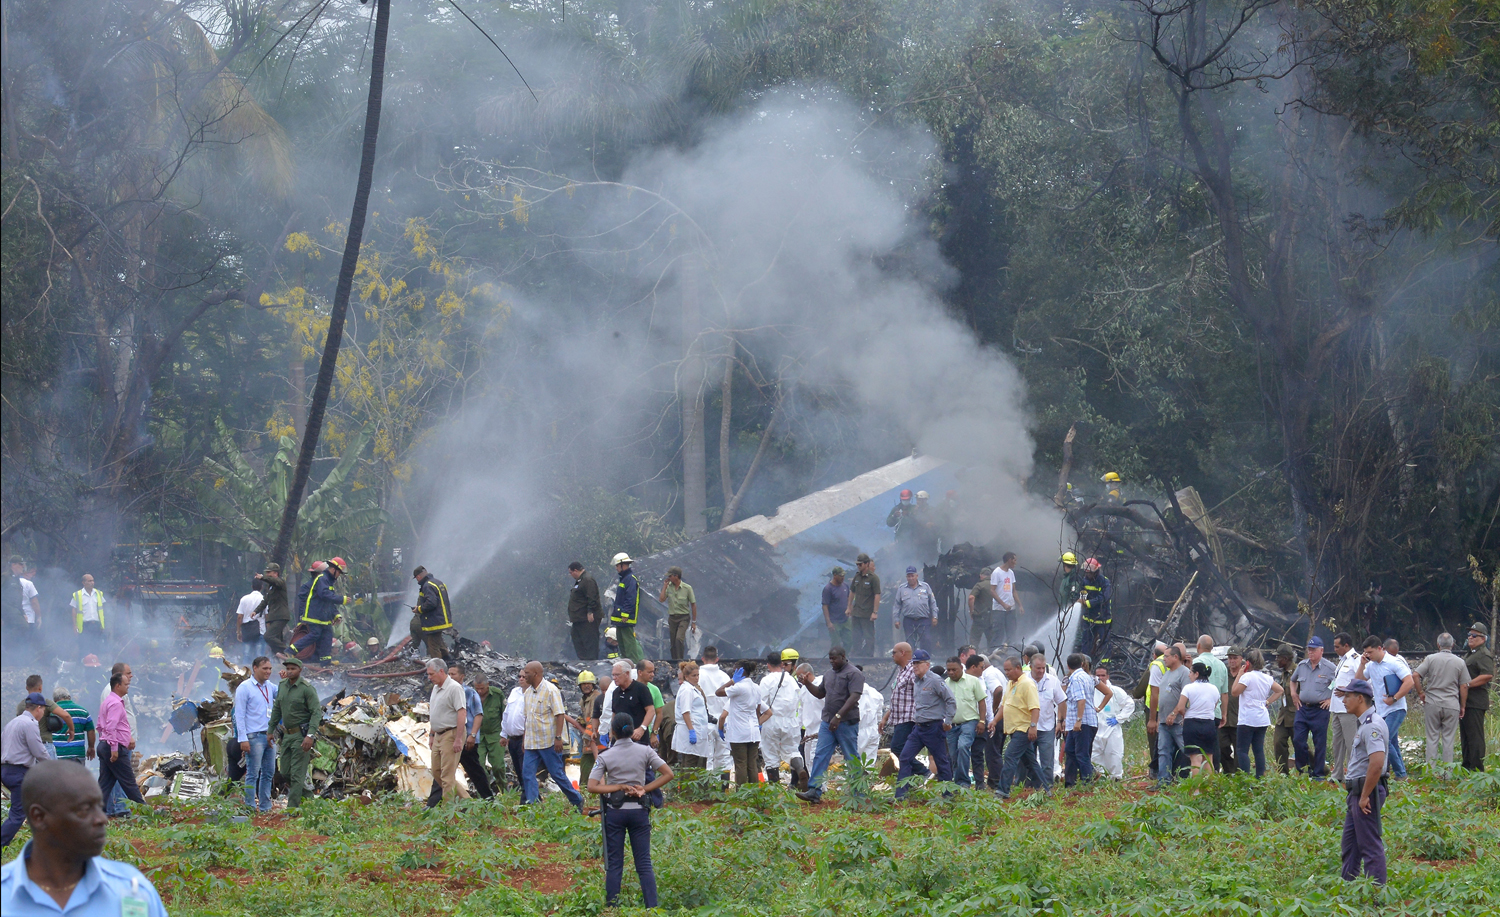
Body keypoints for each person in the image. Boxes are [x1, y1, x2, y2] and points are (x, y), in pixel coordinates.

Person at [0, 760, 169, 916]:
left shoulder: (132, 891)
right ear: (38, 817)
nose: (101, 819)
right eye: (84, 809)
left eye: (99, 806)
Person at [588, 712, 674, 909]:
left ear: (613, 732)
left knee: (615, 864)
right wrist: (645, 789)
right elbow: (668, 774)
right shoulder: (645, 751)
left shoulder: (605, 756)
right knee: (644, 863)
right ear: (632, 729)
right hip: (639, 811)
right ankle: (652, 908)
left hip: (615, 813)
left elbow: (592, 786)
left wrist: (617, 787)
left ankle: (612, 908)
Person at [795, 647, 864, 803]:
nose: (832, 662)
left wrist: (839, 716)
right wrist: (806, 684)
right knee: (820, 754)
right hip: (827, 722)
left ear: (843, 656)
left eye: (835, 659)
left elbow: (854, 697)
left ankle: (858, 793)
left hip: (846, 722)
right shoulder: (829, 674)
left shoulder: (854, 674)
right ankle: (814, 791)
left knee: (851, 756)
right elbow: (820, 693)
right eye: (830, 659)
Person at [1337, 678, 1388, 884]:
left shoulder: (1371, 726)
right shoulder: (1367, 724)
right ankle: (1348, 886)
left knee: (1369, 845)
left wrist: (1365, 795)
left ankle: (1376, 894)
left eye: (1348, 697)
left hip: (1366, 794)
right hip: (1358, 793)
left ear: (1360, 698)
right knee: (1350, 844)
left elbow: (1377, 763)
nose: (1344, 701)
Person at [519, 662, 585, 809]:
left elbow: (560, 715)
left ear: (536, 674)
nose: (524, 676)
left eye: (527, 673)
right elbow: (527, 718)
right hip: (531, 742)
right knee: (527, 774)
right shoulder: (528, 692)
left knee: (556, 774)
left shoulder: (551, 690)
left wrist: (558, 738)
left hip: (548, 742)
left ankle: (576, 800)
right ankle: (533, 806)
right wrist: (524, 739)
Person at [894, 650, 955, 799]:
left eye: (918, 663)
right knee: (905, 757)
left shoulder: (935, 680)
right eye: (913, 663)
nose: (914, 666)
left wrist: (947, 721)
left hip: (934, 727)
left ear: (927, 664)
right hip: (918, 727)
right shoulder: (916, 681)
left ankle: (948, 794)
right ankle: (901, 795)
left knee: (941, 761)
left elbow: (950, 700)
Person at [1354, 636, 1413, 779]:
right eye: (1366, 653)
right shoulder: (1371, 665)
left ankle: (1399, 774)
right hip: (1381, 710)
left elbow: (1409, 681)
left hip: (1396, 708)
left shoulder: (1394, 662)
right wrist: (1362, 664)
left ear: (1380, 649)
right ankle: (1398, 772)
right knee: (1392, 741)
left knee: (1383, 739)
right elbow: (1358, 681)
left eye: (1370, 652)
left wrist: (1394, 698)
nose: (1368, 655)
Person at [269, 656, 320, 807]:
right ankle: (308, 797)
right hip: (287, 735)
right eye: (288, 669)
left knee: (297, 773)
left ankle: (292, 809)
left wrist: (310, 735)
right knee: (285, 771)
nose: (290, 671)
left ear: (300, 670)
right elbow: (277, 709)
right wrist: (270, 730)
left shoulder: (306, 688)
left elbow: (316, 713)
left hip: (301, 735)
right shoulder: (282, 686)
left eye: (293, 669)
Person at [1409, 633, 1465, 768]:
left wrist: (1421, 692)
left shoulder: (1430, 659)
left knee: (1432, 738)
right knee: (1448, 739)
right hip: (1452, 704)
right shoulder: (1460, 662)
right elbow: (1464, 685)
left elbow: (1416, 675)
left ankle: (1430, 772)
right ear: (1452, 644)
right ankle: (1447, 772)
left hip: (1432, 702)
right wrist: (1462, 705)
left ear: (1438, 644)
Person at [3, 695, 52, 847]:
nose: (43, 714)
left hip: (6, 770)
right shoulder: (30, 724)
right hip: (18, 772)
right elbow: (39, 751)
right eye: (43, 710)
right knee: (18, 814)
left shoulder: (13, 722)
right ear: (38, 708)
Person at [992, 657, 1044, 798]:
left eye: (1009, 670)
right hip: (1013, 729)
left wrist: (1033, 727)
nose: (1006, 673)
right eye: (1005, 670)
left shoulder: (1028, 684)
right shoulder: (1010, 683)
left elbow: (1035, 708)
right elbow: (1004, 705)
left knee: (1009, 756)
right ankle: (1045, 788)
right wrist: (995, 721)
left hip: (1023, 728)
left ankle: (1003, 791)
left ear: (1018, 668)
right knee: (1030, 761)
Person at [288, 557, 356, 665]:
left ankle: (325, 662)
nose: (339, 576)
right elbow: (325, 595)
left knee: (327, 637)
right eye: (339, 572)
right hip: (315, 616)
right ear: (334, 569)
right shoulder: (322, 579)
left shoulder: (327, 581)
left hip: (323, 618)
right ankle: (290, 651)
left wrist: (335, 615)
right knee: (315, 634)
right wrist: (341, 599)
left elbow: (329, 602)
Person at [233, 656, 277, 813]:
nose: (268, 672)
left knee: (269, 773)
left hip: (270, 736)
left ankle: (265, 807)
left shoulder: (270, 687)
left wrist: (286, 680)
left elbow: (283, 694)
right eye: (265, 668)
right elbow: (239, 715)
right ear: (255, 668)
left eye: (270, 669)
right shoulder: (245, 688)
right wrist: (242, 739)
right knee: (253, 773)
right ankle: (250, 807)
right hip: (254, 737)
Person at [423, 658, 469, 805]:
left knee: (447, 776)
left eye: (431, 674)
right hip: (438, 734)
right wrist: (431, 734)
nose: (429, 677)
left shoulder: (454, 688)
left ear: (441, 671)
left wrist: (458, 739)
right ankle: (469, 803)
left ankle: (448, 813)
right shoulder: (436, 688)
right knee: (436, 771)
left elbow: (462, 713)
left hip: (451, 733)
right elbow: (436, 712)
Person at [881, 642, 929, 782]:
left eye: (894, 652)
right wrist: (885, 718)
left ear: (903, 653)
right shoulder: (902, 671)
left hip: (908, 718)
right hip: (898, 717)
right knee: (902, 750)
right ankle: (909, 781)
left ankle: (923, 772)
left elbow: (921, 693)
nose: (892, 655)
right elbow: (898, 697)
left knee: (897, 748)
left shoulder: (912, 671)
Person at [96, 673, 144, 811]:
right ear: (118, 686)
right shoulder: (116, 703)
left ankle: (94, 813)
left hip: (104, 745)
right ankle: (147, 812)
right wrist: (114, 749)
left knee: (105, 784)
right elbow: (111, 727)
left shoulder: (107, 701)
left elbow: (100, 725)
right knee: (129, 783)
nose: (128, 686)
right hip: (113, 747)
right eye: (126, 684)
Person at [1291, 636, 1338, 778]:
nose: (1310, 653)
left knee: (1319, 742)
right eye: (1309, 650)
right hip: (1303, 708)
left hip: (1320, 710)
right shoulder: (1302, 666)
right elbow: (1292, 681)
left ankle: (1318, 773)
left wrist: (1331, 698)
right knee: (1298, 739)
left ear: (1321, 651)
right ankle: (1303, 770)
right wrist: (1294, 694)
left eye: (1313, 650)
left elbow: (1340, 683)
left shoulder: (1330, 668)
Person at [1231, 648, 1283, 778]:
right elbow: (1280, 690)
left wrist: (1239, 674)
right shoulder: (1266, 677)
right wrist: (1268, 701)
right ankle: (1260, 777)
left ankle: (1246, 778)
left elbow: (1234, 692)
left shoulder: (1247, 677)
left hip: (1247, 718)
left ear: (1248, 663)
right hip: (1262, 718)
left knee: (1242, 750)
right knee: (1258, 749)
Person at [716, 663, 769, 785]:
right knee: (752, 764)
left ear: (740, 671)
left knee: (740, 764)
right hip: (753, 732)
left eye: (735, 669)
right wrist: (757, 724)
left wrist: (732, 681)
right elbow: (758, 709)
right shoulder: (756, 687)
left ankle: (741, 793)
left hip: (739, 732)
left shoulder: (738, 687)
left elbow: (718, 692)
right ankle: (754, 792)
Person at [760, 649, 804, 785]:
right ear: (781, 663)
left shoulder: (766, 680)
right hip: (791, 721)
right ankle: (800, 769)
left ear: (768, 665)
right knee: (792, 750)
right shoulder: (791, 680)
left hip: (771, 720)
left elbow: (761, 702)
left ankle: (774, 789)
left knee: (770, 754)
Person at [450, 666, 494, 800]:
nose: (450, 676)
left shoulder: (469, 693)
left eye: (453, 673)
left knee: (475, 771)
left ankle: (489, 799)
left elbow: (478, 715)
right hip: (449, 738)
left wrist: (472, 735)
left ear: (462, 676)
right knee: (444, 770)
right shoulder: (446, 692)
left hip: (467, 739)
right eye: (448, 674)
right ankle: (433, 802)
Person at [944, 656, 986, 789]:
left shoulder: (973, 681)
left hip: (969, 722)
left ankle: (963, 783)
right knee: (953, 755)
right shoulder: (945, 683)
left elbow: (981, 701)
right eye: (949, 670)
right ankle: (958, 784)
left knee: (963, 747)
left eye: (954, 670)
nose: (951, 672)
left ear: (961, 668)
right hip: (951, 725)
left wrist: (982, 721)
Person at [1173, 662, 1220, 777]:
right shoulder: (1214, 689)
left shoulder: (1189, 688)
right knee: (1208, 759)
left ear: (1196, 674)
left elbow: (1180, 707)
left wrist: (1185, 715)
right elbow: (1214, 706)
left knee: (1195, 760)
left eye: (1191, 672)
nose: (1189, 675)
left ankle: (1196, 790)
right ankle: (1209, 789)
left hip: (1192, 724)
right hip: (1209, 724)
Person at [1153, 645, 1192, 785]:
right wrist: (1159, 718)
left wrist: (1175, 713)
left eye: (1166, 656)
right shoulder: (1167, 673)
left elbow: (1185, 697)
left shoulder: (1184, 673)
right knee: (1163, 751)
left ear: (1176, 657)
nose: (1164, 659)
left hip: (1178, 721)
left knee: (1187, 750)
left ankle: (1195, 777)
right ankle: (1163, 781)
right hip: (1164, 720)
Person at [1328, 633, 1362, 782]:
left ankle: (1353, 773)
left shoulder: (1356, 659)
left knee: (1351, 742)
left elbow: (1362, 681)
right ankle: (1337, 774)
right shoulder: (1342, 660)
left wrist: (1348, 691)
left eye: (1337, 646)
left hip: (1348, 709)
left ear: (1346, 646)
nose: (1335, 649)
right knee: (1337, 743)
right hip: (1336, 707)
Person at [1192, 636, 1229, 771]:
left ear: (1198, 646)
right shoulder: (1221, 665)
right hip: (1216, 712)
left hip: (1199, 712)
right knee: (1213, 745)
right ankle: (1214, 773)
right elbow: (1224, 693)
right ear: (1212, 648)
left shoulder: (1197, 662)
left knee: (1197, 746)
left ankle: (1197, 775)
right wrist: (1224, 713)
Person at [1090, 666, 1135, 779]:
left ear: (1108, 676)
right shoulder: (1091, 690)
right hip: (1095, 728)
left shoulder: (1115, 691)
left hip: (1111, 728)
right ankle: (1100, 777)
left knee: (1114, 754)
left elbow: (1129, 704)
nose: (1100, 678)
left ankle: (1115, 778)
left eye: (1103, 675)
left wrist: (1119, 718)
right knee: (1095, 755)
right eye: (1098, 676)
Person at [1461, 622, 1493, 770]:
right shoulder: (1470, 653)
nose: (1470, 638)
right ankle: (1467, 765)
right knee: (1466, 736)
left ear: (1483, 638)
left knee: (1475, 736)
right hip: (1466, 701)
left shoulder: (1483, 654)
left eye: (1474, 635)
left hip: (1476, 701)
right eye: (1469, 635)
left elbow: (1487, 675)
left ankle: (1476, 768)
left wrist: (1467, 684)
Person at [1062, 653, 1098, 787]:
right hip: (1080, 722)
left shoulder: (1076, 679)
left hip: (1083, 722)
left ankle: (1087, 783)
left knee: (1081, 753)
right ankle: (1089, 773)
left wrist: (1078, 720)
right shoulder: (1086, 676)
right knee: (1070, 750)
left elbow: (1081, 700)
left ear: (1067, 665)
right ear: (1082, 664)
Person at [697, 647, 733, 775]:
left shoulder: (698, 676)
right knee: (724, 757)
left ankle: (709, 787)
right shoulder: (724, 676)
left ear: (702, 659)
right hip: (723, 721)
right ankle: (723, 789)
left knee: (707, 757)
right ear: (717, 659)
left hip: (705, 721)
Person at [975, 653, 1008, 790]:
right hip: (1004, 715)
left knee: (992, 751)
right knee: (997, 750)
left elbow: (998, 690)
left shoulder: (988, 674)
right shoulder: (996, 671)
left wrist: (993, 711)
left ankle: (996, 781)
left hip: (997, 717)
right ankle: (997, 780)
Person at [472, 673, 509, 792]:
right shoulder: (471, 695)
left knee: (498, 766)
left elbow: (505, 715)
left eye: (482, 688)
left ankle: (504, 790)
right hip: (478, 736)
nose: (479, 691)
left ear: (488, 685)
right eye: (477, 688)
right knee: (479, 767)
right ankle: (485, 794)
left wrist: (505, 734)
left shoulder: (497, 694)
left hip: (495, 735)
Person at [412, 566, 456, 662]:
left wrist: (419, 609)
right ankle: (448, 660)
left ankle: (438, 668)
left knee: (433, 645)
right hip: (442, 618)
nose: (417, 580)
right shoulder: (438, 582)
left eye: (416, 578)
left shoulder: (427, 585)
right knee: (439, 641)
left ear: (418, 576)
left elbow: (431, 603)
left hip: (434, 621)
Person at [1139, 642, 1168, 780]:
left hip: (1154, 709)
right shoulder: (1177, 664)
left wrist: (1152, 719)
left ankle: (1155, 771)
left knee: (1154, 741)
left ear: (1154, 655)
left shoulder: (1155, 665)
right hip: (1171, 708)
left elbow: (1138, 692)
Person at [893, 566, 938, 653]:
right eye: (908, 576)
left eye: (912, 576)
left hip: (924, 619)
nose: (911, 578)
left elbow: (932, 602)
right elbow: (897, 605)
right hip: (909, 620)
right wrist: (896, 619)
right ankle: (912, 662)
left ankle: (926, 660)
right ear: (906, 577)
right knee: (910, 643)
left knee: (926, 640)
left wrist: (935, 616)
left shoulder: (925, 587)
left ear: (917, 576)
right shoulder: (902, 588)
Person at [673, 662, 710, 770]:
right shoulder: (686, 690)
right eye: (694, 676)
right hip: (690, 730)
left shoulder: (693, 688)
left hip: (698, 728)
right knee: (690, 764)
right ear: (686, 676)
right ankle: (688, 787)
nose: (697, 678)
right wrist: (691, 730)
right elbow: (685, 712)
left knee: (696, 763)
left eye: (698, 675)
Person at [610, 553, 644, 662]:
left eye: (617, 566)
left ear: (622, 565)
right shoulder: (624, 579)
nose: (616, 568)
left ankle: (633, 663)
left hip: (625, 616)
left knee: (628, 642)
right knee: (622, 641)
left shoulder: (630, 579)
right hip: (620, 616)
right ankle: (626, 662)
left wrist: (625, 613)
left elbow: (630, 598)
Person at [657, 567, 696, 662]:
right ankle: (674, 661)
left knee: (679, 638)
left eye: (670, 576)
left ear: (676, 576)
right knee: (673, 642)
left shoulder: (687, 588)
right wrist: (665, 586)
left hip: (684, 617)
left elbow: (693, 605)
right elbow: (661, 599)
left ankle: (680, 660)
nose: (669, 578)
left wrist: (694, 622)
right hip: (672, 618)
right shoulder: (669, 587)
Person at [1077, 558, 1112, 664]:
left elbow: (1104, 598)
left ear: (1096, 571)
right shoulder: (1084, 581)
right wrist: (1081, 599)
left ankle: (1105, 663)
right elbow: (1082, 593)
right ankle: (1085, 662)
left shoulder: (1104, 582)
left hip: (1103, 618)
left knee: (1105, 641)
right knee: (1086, 641)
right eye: (1086, 573)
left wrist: (1088, 603)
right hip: (1088, 617)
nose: (1088, 575)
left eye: (1090, 573)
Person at [47, 689, 94, 765]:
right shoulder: (83, 711)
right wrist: (91, 747)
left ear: (55, 700)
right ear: (69, 697)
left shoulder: (51, 712)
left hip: (58, 755)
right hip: (77, 754)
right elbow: (91, 730)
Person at [253, 563, 291, 655]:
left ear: (276, 573)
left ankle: (288, 651)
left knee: (268, 636)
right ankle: (282, 657)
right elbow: (265, 601)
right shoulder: (270, 588)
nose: (267, 575)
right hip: (274, 617)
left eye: (269, 572)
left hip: (281, 616)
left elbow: (274, 581)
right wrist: (256, 611)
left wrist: (262, 578)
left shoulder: (280, 583)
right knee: (276, 640)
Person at [567, 562, 602, 661]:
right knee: (577, 638)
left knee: (590, 641)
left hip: (587, 618)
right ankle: (584, 661)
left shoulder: (587, 580)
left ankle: (592, 662)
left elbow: (592, 597)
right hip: (579, 618)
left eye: (571, 572)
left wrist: (590, 612)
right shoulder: (580, 580)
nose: (570, 575)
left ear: (576, 570)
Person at [1270, 645, 1297, 774]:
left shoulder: (1297, 672)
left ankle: (1318, 768)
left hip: (1296, 716)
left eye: (1278, 657)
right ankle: (1283, 773)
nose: (1276, 660)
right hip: (1283, 715)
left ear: (1285, 659)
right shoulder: (1283, 673)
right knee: (1278, 743)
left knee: (1301, 746)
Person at [4, 556, 41, 647]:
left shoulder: (17, 580)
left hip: (16, 612)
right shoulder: (5, 577)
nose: (23, 567)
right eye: (21, 564)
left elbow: (18, 600)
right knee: (23, 627)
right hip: (6, 611)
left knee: (23, 633)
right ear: (13, 565)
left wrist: (23, 613)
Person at [848, 554, 881, 657]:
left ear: (866, 564)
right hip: (856, 612)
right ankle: (857, 655)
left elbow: (877, 595)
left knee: (868, 636)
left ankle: (868, 656)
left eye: (860, 564)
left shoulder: (873, 578)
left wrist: (875, 612)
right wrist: (849, 607)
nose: (858, 566)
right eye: (857, 564)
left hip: (867, 613)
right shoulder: (857, 577)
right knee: (856, 636)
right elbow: (852, 592)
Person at [69, 574, 106, 661]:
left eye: (92, 580)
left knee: (96, 648)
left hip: (96, 625)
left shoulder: (98, 593)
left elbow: (102, 609)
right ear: (83, 583)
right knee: (84, 648)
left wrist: (103, 624)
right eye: (89, 581)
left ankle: (95, 668)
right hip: (84, 626)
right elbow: (74, 611)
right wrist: (75, 625)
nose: (92, 583)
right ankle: (83, 668)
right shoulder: (78, 595)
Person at [1218, 648, 1244, 776]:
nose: (1232, 661)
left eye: (1235, 658)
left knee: (1240, 749)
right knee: (1222, 747)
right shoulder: (1223, 673)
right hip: (1224, 718)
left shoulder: (1245, 674)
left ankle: (1239, 775)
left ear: (1241, 659)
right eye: (1230, 658)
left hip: (1240, 718)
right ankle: (1229, 772)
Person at [989, 554, 1023, 648]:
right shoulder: (997, 572)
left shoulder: (1011, 573)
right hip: (999, 609)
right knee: (998, 633)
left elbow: (1013, 590)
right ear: (1009, 560)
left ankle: (1010, 651)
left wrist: (1019, 605)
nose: (1015, 563)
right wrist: (1003, 604)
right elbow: (992, 590)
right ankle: (994, 652)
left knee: (1012, 632)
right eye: (1014, 560)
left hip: (1011, 609)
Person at [234, 580, 267, 666]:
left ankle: (246, 676)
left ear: (252, 586)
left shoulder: (244, 599)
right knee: (260, 657)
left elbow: (239, 617)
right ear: (262, 587)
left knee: (247, 655)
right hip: (260, 630)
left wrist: (238, 631)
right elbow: (267, 616)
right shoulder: (264, 599)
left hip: (247, 631)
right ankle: (260, 677)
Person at [821, 568, 852, 650]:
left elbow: (848, 598)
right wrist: (829, 623)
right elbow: (825, 606)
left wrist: (849, 608)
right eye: (841, 576)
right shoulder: (828, 589)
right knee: (836, 644)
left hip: (845, 620)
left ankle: (846, 659)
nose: (843, 578)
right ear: (835, 575)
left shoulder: (845, 586)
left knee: (849, 642)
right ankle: (835, 660)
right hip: (834, 621)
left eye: (844, 576)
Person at [968, 568, 994, 648]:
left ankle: (973, 657)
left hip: (980, 616)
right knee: (992, 640)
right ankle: (992, 657)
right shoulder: (995, 585)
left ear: (981, 575)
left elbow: (971, 597)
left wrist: (972, 611)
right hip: (992, 617)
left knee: (974, 640)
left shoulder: (979, 585)